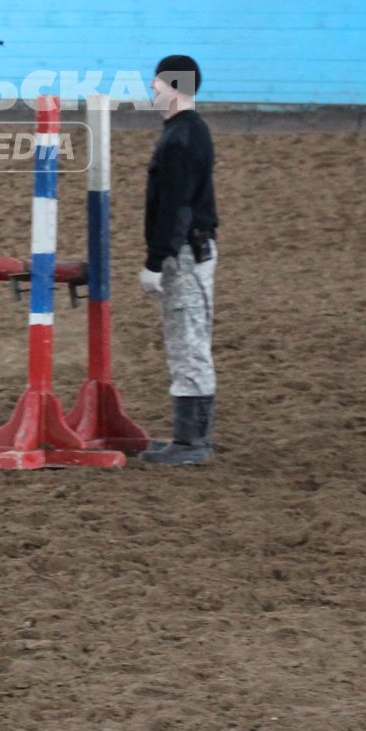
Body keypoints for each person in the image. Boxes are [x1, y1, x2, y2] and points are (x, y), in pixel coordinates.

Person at [138, 53, 220, 465]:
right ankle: (190, 438)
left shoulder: (180, 140)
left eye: (156, 82)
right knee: (188, 338)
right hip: (190, 248)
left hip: (185, 252)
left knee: (188, 341)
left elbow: (175, 207)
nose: (151, 88)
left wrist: (156, 261)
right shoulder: (188, 131)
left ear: (173, 86)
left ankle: (192, 443)